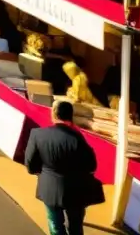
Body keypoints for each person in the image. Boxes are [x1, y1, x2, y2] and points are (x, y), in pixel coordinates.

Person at [24, 100, 105, 235]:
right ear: (71, 116)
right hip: (76, 190)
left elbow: (30, 165)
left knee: (55, 224)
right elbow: (91, 166)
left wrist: (42, 172)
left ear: (54, 114)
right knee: (75, 226)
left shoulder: (37, 134)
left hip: (49, 187)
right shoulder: (78, 138)